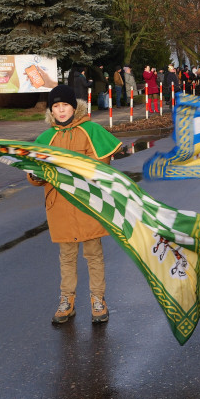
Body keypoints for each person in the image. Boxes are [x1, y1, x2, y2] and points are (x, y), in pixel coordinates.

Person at [28, 85, 123, 324]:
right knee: (67, 256)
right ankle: (66, 301)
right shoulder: (46, 138)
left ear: (74, 106)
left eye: (65, 106)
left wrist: (78, 171)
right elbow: (34, 171)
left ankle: (97, 300)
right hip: (59, 206)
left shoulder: (90, 130)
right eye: (56, 107)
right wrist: (36, 176)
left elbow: (102, 164)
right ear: (51, 110)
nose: (61, 111)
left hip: (88, 204)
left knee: (93, 254)